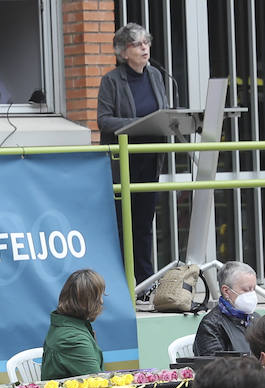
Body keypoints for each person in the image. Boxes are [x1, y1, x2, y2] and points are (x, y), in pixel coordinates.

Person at [97, 23, 168, 288]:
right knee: (121, 224)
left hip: (150, 159)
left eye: (146, 43)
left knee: (143, 223)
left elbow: (162, 112)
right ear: (123, 52)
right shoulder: (111, 81)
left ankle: (146, 282)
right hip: (123, 162)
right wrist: (134, 124)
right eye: (138, 44)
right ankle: (121, 282)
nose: (144, 48)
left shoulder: (156, 76)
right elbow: (103, 121)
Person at [41, 268, 107, 380]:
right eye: (98, 297)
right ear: (85, 301)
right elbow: (98, 385)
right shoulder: (72, 339)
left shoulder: (65, 325)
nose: (101, 301)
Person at [193, 261, 259, 357]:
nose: (252, 294)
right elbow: (216, 367)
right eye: (246, 290)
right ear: (226, 291)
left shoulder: (256, 319)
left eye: (253, 289)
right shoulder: (211, 326)